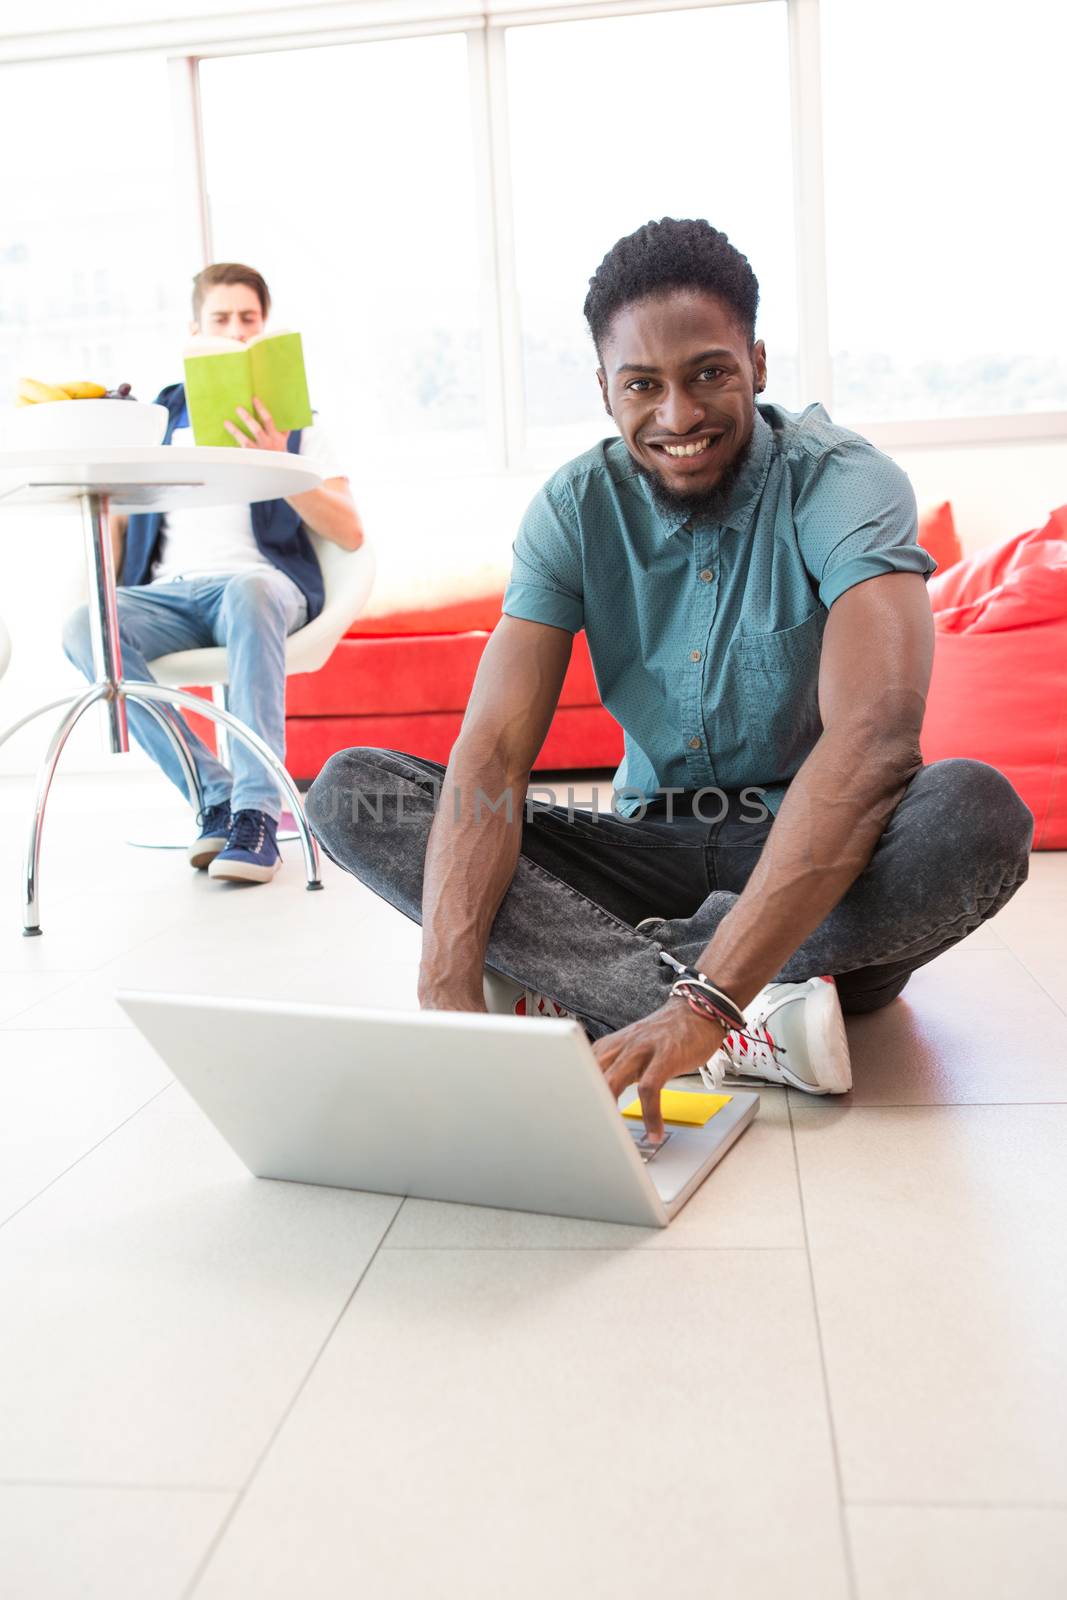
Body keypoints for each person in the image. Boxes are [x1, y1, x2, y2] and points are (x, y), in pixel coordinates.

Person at [305, 218, 1032, 1134]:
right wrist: (452, 1004)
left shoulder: (844, 483)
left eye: (709, 374)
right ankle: (761, 1016)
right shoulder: (571, 508)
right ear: (604, 389)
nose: (678, 415)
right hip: (648, 849)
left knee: (974, 814)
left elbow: (874, 741)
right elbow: (490, 752)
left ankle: (626, 991)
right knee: (356, 792)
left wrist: (700, 1007)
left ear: (757, 364)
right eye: (642, 384)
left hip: (823, 862)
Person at [63, 262, 364, 884]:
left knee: (249, 588)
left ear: (263, 329)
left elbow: (349, 530)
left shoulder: (295, 421)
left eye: (246, 320)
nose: (233, 331)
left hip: (257, 585)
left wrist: (277, 458)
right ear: (194, 330)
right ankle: (214, 795)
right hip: (168, 594)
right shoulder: (156, 419)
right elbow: (119, 528)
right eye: (219, 320)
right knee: (82, 626)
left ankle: (257, 814)